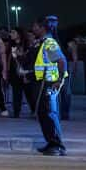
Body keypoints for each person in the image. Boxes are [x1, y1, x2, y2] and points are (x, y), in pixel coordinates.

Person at [28, 16, 69, 156]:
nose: (32, 29)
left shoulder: (49, 43)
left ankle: (58, 145)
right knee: (43, 114)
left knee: (50, 114)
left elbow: (61, 61)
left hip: (48, 83)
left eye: (35, 26)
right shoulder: (40, 42)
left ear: (42, 28)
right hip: (40, 82)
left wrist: (59, 79)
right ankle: (51, 142)